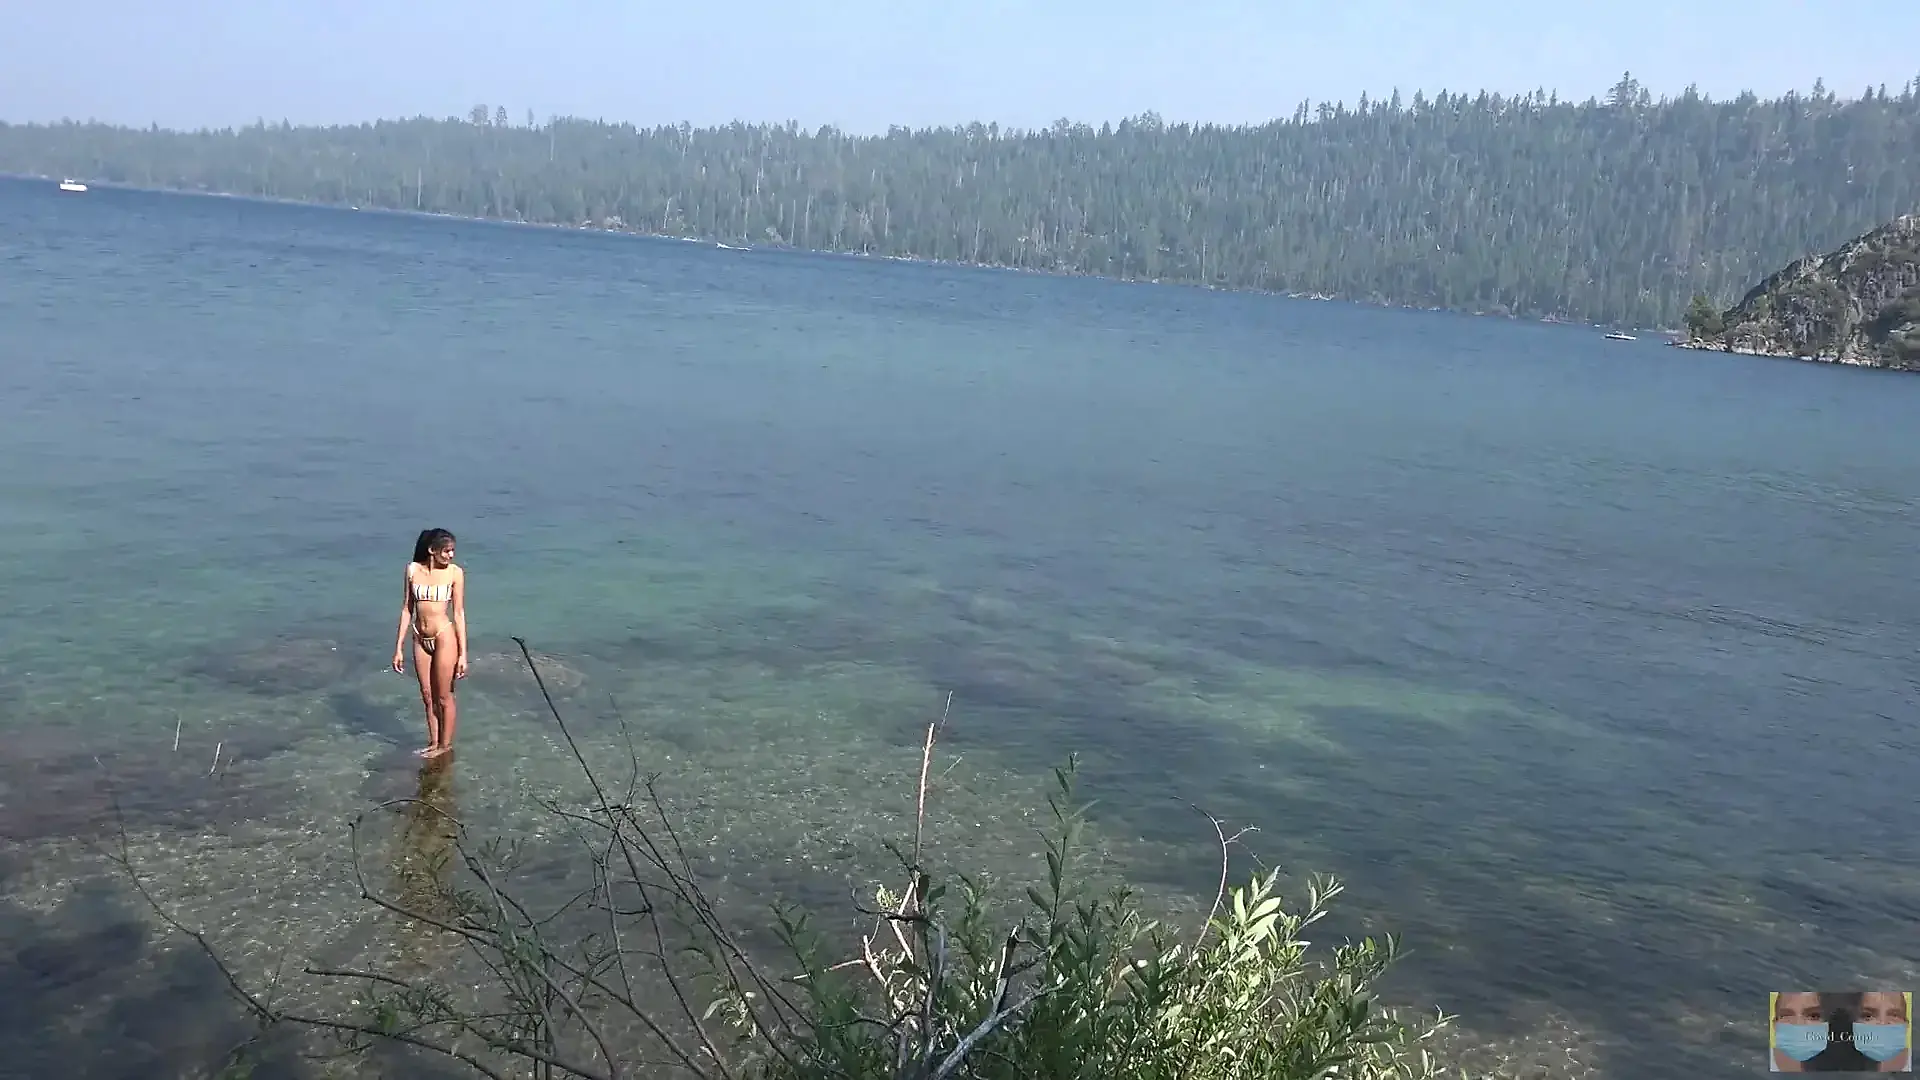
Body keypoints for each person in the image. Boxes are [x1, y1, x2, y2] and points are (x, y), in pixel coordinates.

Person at [391, 528, 467, 758]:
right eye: (446, 551)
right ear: (432, 550)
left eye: (452, 550)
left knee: (444, 696)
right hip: (419, 636)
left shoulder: (455, 573)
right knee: (427, 694)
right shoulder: (412, 570)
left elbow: (459, 613)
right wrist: (398, 648)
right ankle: (434, 742)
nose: (451, 555)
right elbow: (407, 609)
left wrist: (463, 654)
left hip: (444, 635)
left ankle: (445, 746)